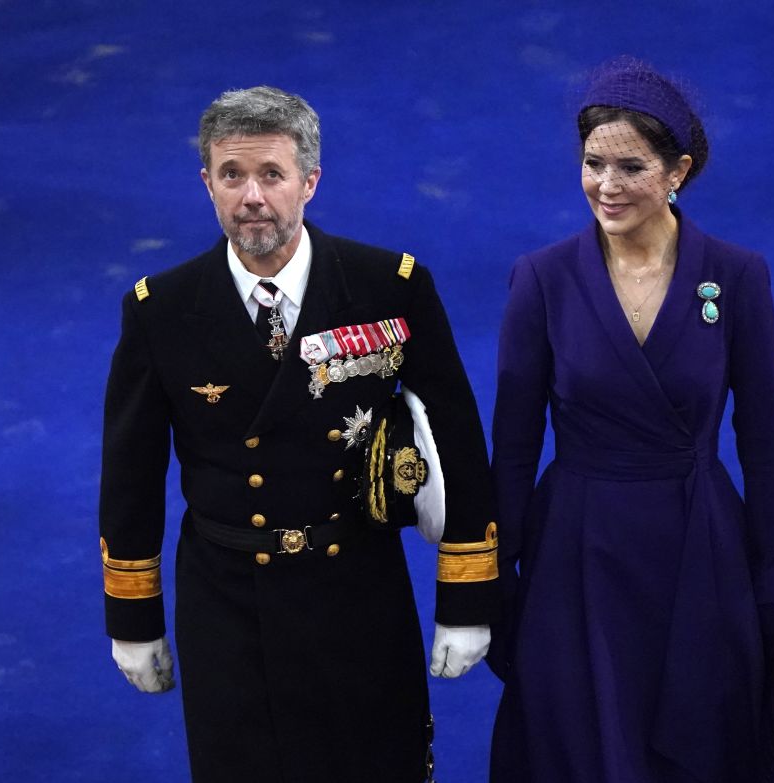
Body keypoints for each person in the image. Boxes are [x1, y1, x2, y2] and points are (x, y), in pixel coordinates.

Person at [99, 85, 499, 783]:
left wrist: (464, 595)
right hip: (226, 604)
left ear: (310, 181)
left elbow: (458, 439)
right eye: (232, 175)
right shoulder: (161, 310)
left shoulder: (388, 286)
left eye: (272, 175)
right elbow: (131, 472)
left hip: (358, 593)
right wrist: (133, 618)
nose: (252, 196)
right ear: (207, 184)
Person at [487, 58, 774, 782]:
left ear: (678, 171)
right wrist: (493, 576)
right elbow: (512, 448)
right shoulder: (541, 278)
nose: (606, 185)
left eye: (630, 166)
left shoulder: (736, 277)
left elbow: (765, 446)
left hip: (699, 552)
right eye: (592, 163)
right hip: (577, 558)